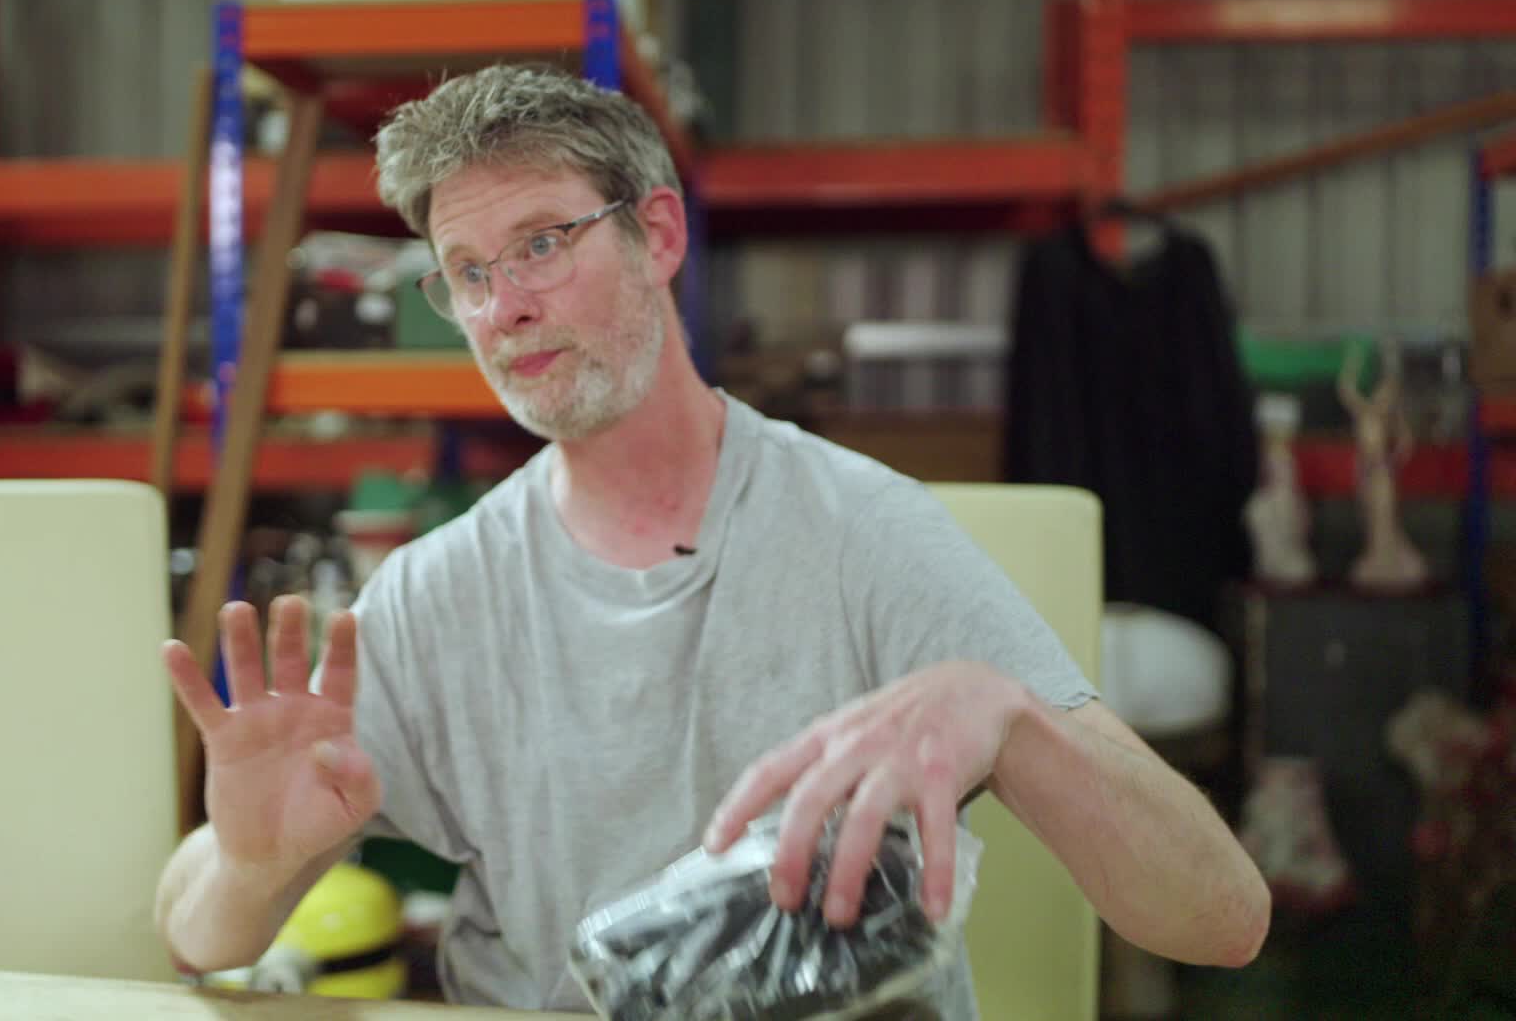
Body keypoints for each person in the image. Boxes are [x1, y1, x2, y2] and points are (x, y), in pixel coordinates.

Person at [154, 63, 1270, 1016]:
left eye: (541, 244)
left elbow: (1223, 917)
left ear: (658, 233)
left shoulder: (863, 535)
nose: (503, 308)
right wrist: (249, 865)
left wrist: (1014, 721)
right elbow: (195, 936)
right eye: (469, 273)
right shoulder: (434, 594)